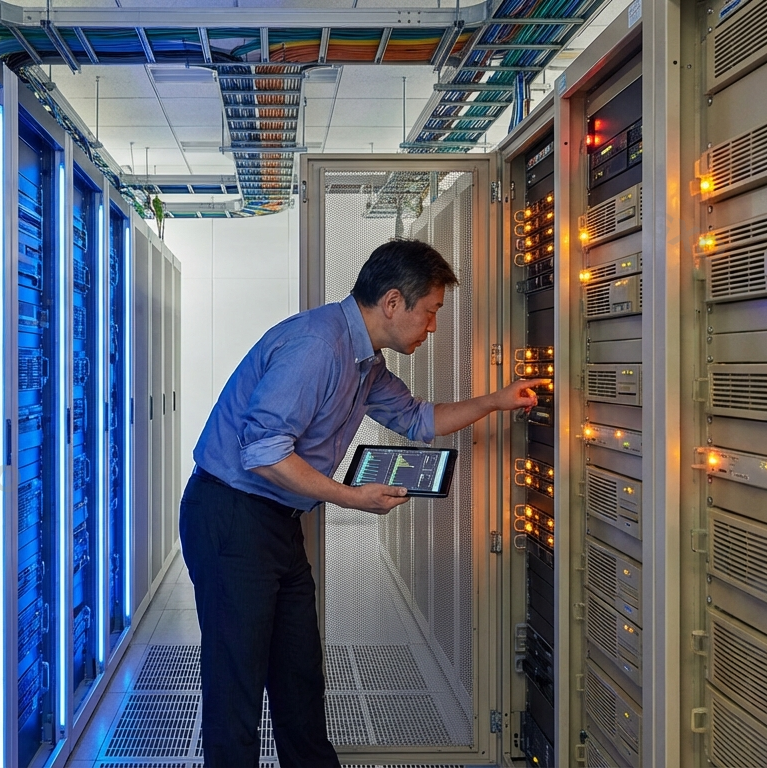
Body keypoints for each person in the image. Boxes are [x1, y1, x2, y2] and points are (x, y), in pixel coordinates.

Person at [181, 238, 545, 767]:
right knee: (236, 685)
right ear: (393, 302)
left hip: (275, 521)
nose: (432, 327)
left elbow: (419, 419)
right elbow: (262, 454)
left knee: (299, 678)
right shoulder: (317, 345)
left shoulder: (363, 362)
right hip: (232, 516)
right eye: (430, 312)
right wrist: (352, 497)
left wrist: (496, 400)